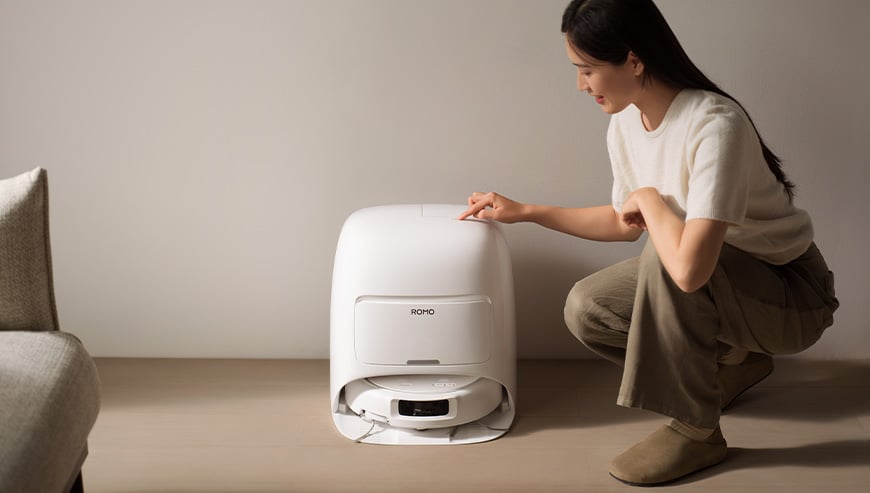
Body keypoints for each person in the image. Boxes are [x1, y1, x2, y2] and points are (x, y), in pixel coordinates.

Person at [459, 0, 839, 486]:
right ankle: (735, 362)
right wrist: (526, 212)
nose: (581, 85)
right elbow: (625, 222)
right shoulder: (625, 122)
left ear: (634, 61)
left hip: (791, 295)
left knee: (667, 252)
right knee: (588, 308)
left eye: (587, 70)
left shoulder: (714, 125)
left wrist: (653, 203)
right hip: (722, 283)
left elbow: (687, 270)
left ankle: (697, 431)